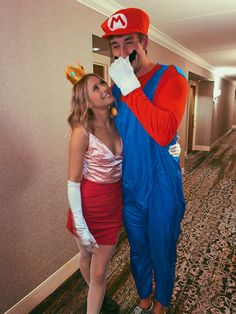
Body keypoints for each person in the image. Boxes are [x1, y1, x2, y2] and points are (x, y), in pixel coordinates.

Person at [100, 7, 188, 314]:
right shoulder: (116, 89)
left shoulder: (171, 78)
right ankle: (143, 299)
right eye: (115, 46)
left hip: (162, 184)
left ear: (144, 42)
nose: (122, 52)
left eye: (129, 43)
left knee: (161, 250)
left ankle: (160, 306)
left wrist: (130, 87)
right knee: (137, 250)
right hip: (131, 184)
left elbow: (164, 132)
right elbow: (114, 133)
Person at [65, 67, 122, 314]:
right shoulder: (81, 132)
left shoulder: (120, 122)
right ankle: (97, 297)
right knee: (88, 260)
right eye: (95, 88)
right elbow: (73, 182)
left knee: (100, 272)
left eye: (101, 82)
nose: (104, 87)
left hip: (112, 209)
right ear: (87, 101)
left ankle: (96, 292)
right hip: (87, 208)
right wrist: (80, 224)